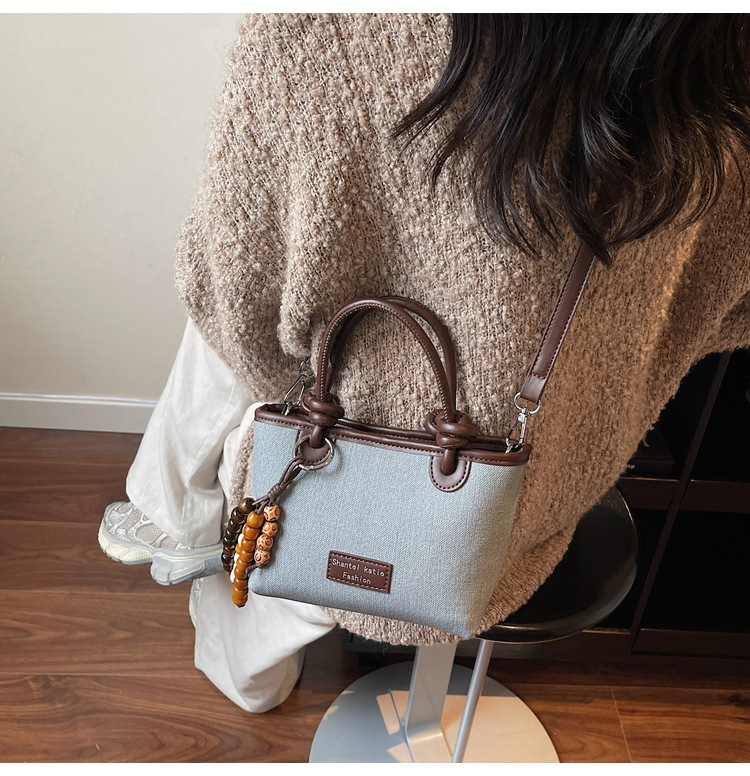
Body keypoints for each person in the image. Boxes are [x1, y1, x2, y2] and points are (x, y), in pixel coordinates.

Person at [99, 14, 750, 712]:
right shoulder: (717, 81)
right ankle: (173, 511)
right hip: (544, 490)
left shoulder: (322, 35)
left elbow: (230, 302)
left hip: (337, 461)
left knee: (282, 553)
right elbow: (723, 316)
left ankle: (185, 537)